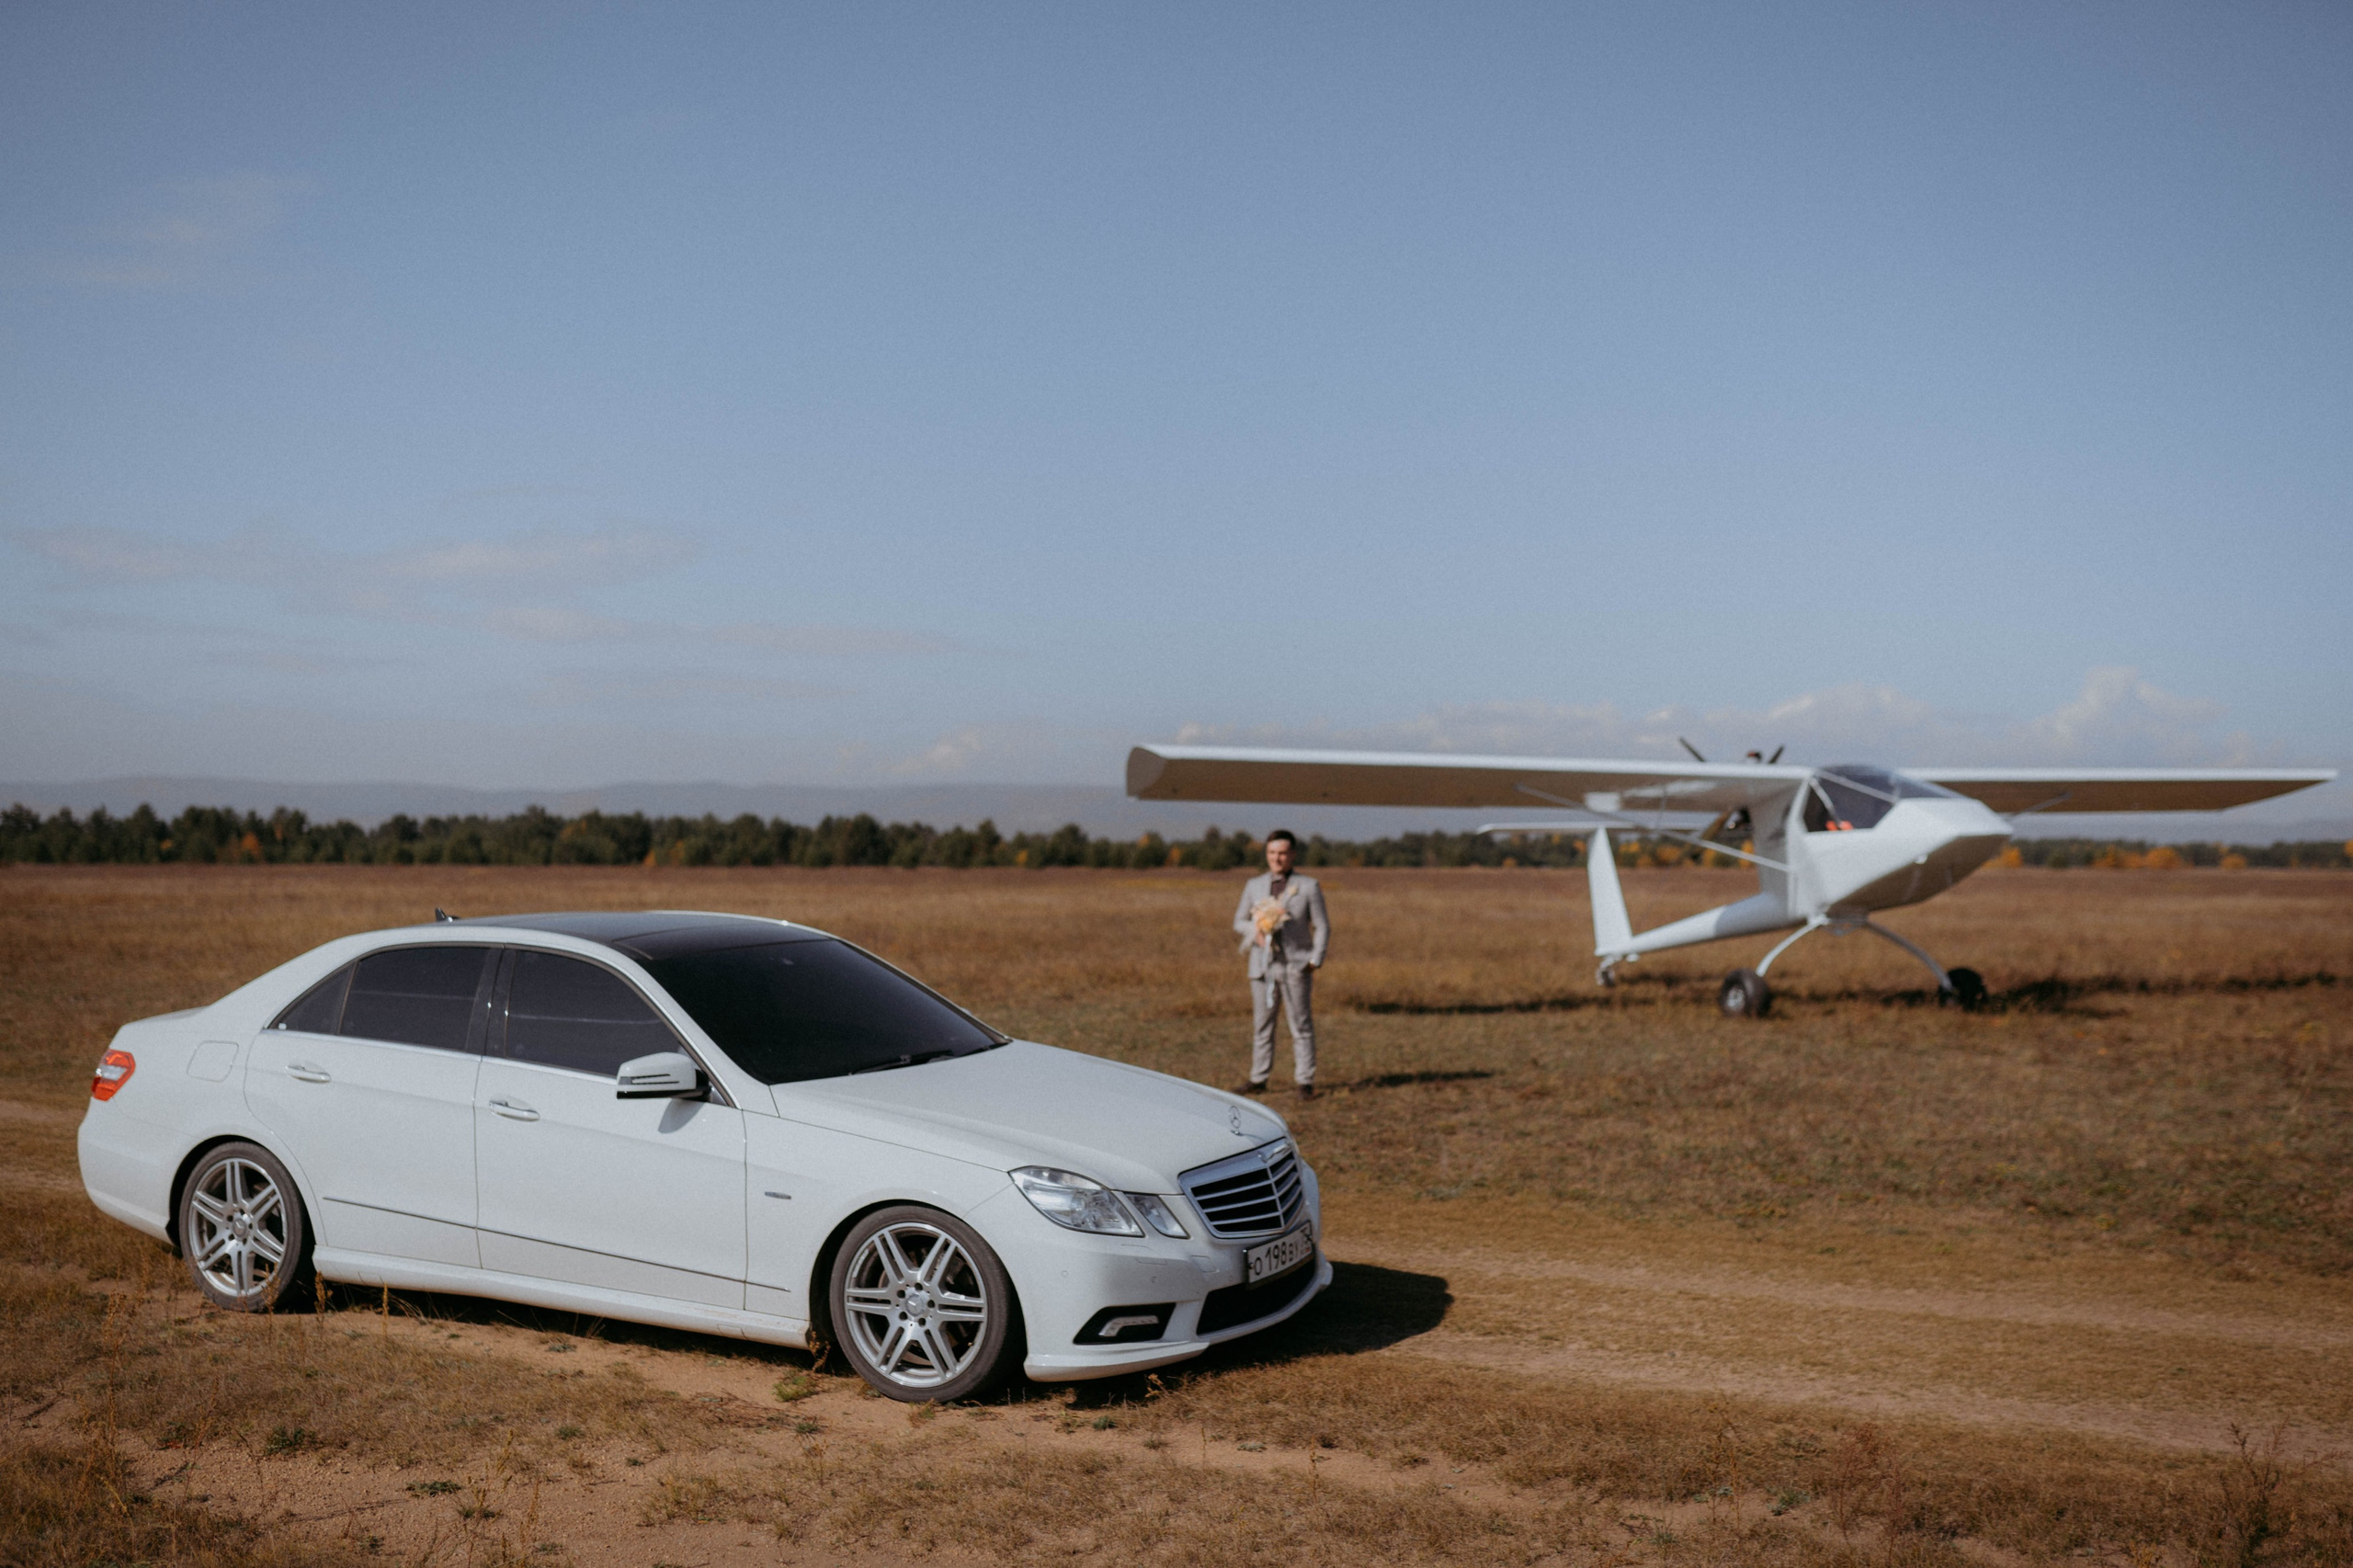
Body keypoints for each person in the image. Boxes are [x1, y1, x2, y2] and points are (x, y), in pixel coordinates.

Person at [1231, 830, 1329, 1099]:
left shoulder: (1308, 886)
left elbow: (1321, 925)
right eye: (1273, 853)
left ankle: (1305, 1082)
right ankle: (1258, 1078)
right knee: (1262, 1024)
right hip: (1262, 967)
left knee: (1301, 1024)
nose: (1278, 858)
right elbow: (1238, 921)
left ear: (1293, 855)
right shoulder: (1254, 885)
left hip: (1296, 965)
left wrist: (1314, 959)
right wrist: (1257, 928)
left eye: (1283, 853)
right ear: (1267, 854)